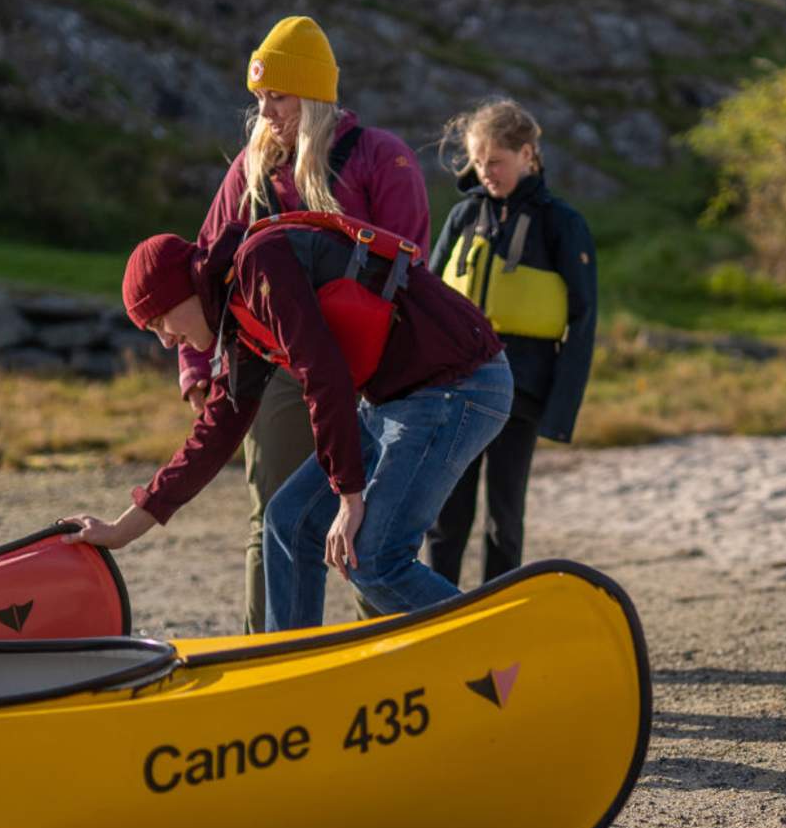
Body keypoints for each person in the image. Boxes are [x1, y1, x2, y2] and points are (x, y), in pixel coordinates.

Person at [64, 211, 509, 631]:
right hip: (396, 398)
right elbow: (215, 434)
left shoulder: (260, 263)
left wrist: (349, 499)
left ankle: (505, 647)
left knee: (374, 560)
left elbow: (324, 374)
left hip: (460, 385)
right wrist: (123, 530)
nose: (165, 341)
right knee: (287, 521)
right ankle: (291, 669)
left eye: (160, 319)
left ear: (184, 288)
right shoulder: (234, 314)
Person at [181, 15, 431, 633]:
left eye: (280, 96)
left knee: (370, 524)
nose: (266, 111)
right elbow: (205, 263)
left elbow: (412, 274)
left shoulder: (381, 158)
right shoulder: (249, 168)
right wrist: (195, 367)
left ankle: (386, 655)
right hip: (282, 372)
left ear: (316, 95)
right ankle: (268, 655)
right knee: (272, 519)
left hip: (375, 376)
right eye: (260, 97)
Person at [424, 99, 597, 587]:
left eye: (495, 162)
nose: (486, 172)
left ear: (527, 154)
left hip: (521, 395)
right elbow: (427, 303)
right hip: (455, 391)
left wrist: (560, 413)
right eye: (478, 162)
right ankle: (435, 611)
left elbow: (583, 322)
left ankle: (495, 616)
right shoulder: (462, 216)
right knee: (445, 515)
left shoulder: (562, 224)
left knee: (504, 515)